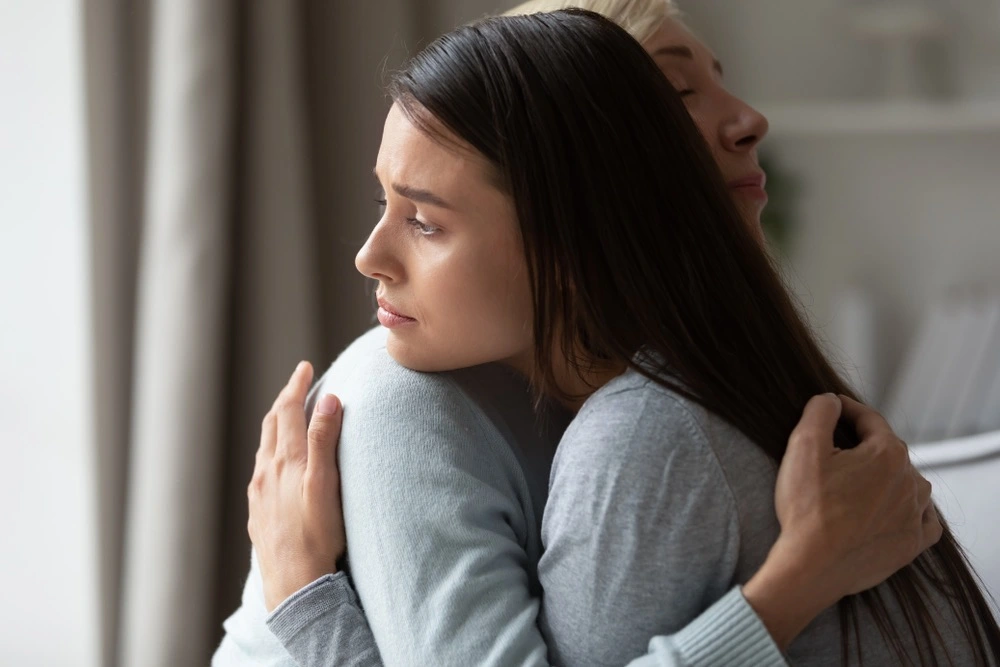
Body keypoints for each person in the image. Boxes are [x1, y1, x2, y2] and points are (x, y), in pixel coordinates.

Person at [210, 7, 977, 667]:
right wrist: (792, 585)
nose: (367, 256)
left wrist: (304, 598)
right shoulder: (403, 394)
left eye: (425, 220)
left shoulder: (644, 430)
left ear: (577, 230)